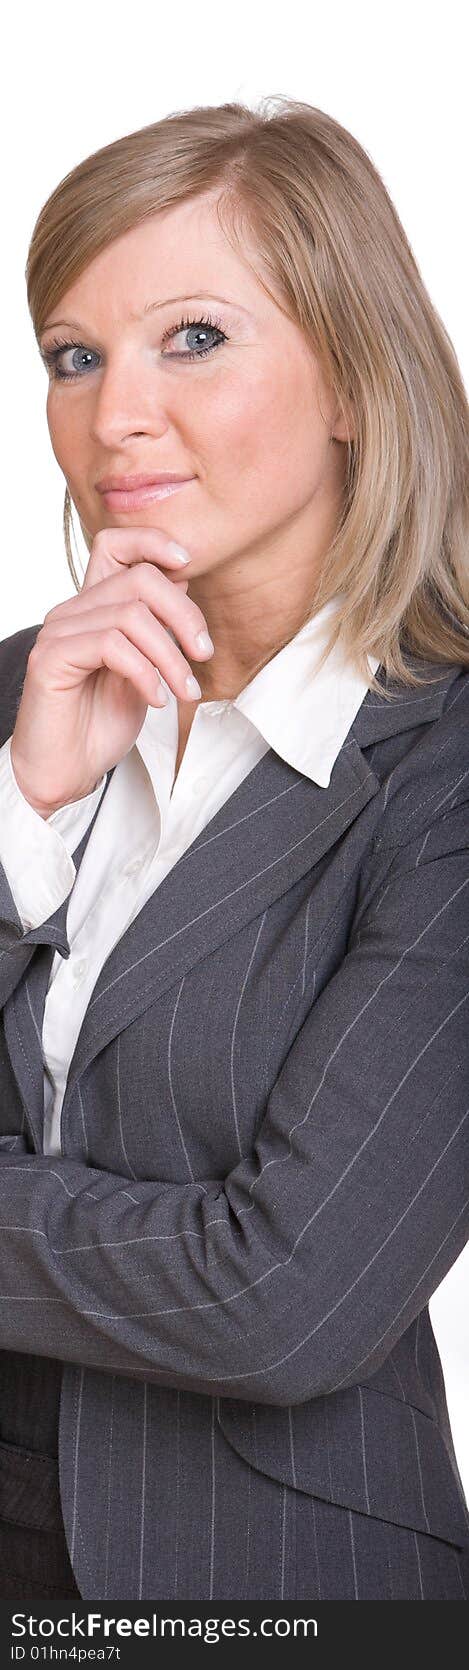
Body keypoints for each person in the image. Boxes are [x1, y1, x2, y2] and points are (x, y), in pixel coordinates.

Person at [0, 96, 468, 1603]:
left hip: (262, 1585)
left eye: (191, 337)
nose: (113, 415)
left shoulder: (442, 770)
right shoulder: (22, 700)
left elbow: (285, 1292)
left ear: (350, 372)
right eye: (75, 357)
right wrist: (28, 817)